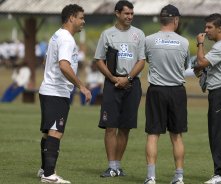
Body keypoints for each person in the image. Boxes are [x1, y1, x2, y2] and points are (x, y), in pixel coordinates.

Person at [37, 4, 91, 183]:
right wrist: (81, 86)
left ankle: (44, 169)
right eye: (81, 17)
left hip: (49, 89)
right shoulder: (66, 39)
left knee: (48, 132)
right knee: (56, 131)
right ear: (71, 18)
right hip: (56, 92)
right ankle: (49, 175)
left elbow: (47, 61)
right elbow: (64, 65)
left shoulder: (57, 35)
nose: (83, 21)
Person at [94, 0, 145, 178]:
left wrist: (128, 78)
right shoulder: (107, 34)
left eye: (131, 13)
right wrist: (113, 78)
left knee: (125, 127)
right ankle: (111, 166)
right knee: (110, 126)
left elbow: (141, 60)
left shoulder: (139, 34)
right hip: (112, 83)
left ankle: (118, 165)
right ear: (117, 13)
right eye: (126, 13)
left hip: (132, 84)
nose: (130, 17)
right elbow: (99, 59)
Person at [144, 4, 190, 184]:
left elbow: (147, 59)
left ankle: (151, 177)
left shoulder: (149, 40)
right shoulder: (184, 42)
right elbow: (185, 66)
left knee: (153, 135)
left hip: (156, 90)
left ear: (161, 19)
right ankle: (179, 177)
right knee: (177, 136)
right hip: (177, 91)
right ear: (176, 20)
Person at [193, 13, 221, 184]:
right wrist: (200, 69)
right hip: (220, 93)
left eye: (209, 27)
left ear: (220, 28)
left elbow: (202, 62)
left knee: (219, 134)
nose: (205, 31)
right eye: (205, 27)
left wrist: (199, 43)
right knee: (217, 133)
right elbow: (202, 67)